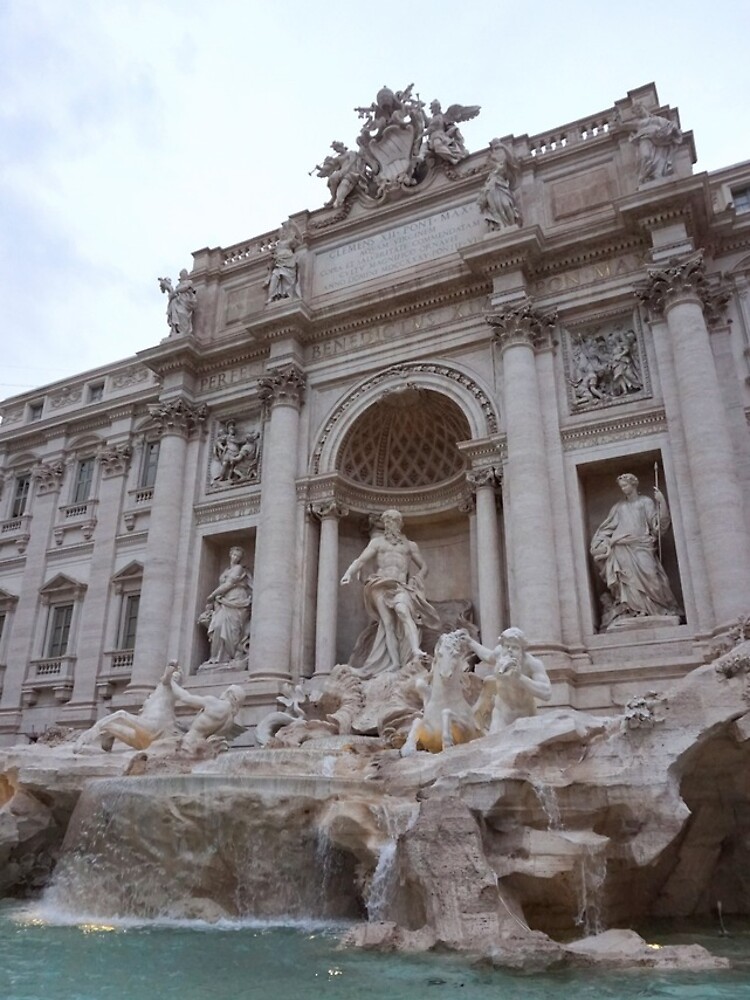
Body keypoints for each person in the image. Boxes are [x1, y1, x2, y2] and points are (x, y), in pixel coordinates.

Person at [340, 509, 441, 674]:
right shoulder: (377, 543)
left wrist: (418, 578)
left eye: (393, 520)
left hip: (400, 586)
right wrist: (349, 573)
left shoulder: (409, 545)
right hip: (380, 584)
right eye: (386, 521)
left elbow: (424, 567)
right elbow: (361, 560)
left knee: (403, 611)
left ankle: (415, 650)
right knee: (387, 623)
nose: (389, 524)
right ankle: (394, 663)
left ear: (400, 524)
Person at [590, 473, 681, 622]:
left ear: (633, 485)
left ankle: (659, 609)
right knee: (628, 580)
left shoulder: (645, 502)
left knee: (652, 576)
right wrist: (599, 543)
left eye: (625, 485)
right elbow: (605, 529)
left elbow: (657, 527)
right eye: (621, 487)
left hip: (642, 545)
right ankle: (635, 611)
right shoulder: (618, 507)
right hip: (621, 547)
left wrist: (662, 502)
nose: (623, 489)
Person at [461, 627, 552, 731]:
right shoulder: (499, 654)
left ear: (522, 650)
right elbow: (487, 656)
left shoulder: (532, 664)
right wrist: (470, 642)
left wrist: (520, 678)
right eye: (506, 646)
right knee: (494, 744)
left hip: (525, 717)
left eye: (515, 648)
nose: (509, 651)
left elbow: (547, 693)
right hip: (501, 715)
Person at [169, 671, 244, 753]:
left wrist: (170, 681)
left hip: (188, 742)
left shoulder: (215, 703)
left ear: (229, 693)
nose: (222, 693)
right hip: (201, 748)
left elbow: (185, 697)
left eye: (225, 691)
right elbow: (205, 728)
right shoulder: (230, 721)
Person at [202, 546, 253, 663]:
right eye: (234, 555)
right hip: (224, 601)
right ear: (230, 555)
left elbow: (229, 584)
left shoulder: (239, 569)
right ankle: (216, 657)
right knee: (218, 625)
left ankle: (232, 655)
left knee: (234, 629)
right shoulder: (226, 571)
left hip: (237, 599)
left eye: (238, 556)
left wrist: (212, 595)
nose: (235, 557)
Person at [478, 138, 520, 229]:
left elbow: (511, 160)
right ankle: (501, 224)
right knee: (495, 209)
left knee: (506, 205)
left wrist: (503, 147)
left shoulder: (505, 163)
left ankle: (510, 224)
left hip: (502, 186)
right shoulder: (492, 169)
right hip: (491, 187)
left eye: (497, 148)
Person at [158, 269, 197, 337]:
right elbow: (173, 293)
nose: (182, 276)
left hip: (185, 302)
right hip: (178, 302)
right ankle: (176, 331)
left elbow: (185, 287)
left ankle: (184, 331)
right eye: (181, 275)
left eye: (184, 274)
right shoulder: (178, 285)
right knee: (176, 314)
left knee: (183, 314)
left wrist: (175, 291)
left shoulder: (189, 282)